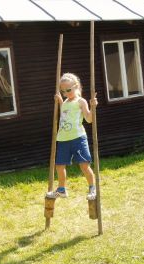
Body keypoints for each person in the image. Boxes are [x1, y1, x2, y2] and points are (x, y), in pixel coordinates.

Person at [46, 73, 98, 201]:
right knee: (59, 165)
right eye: (63, 91)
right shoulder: (64, 102)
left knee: (84, 165)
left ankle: (92, 188)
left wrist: (93, 107)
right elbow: (65, 113)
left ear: (76, 86)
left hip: (78, 138)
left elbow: (89, 119)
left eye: (68, 90)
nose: (66, 93)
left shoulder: (81, 101)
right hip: (63, 139)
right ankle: (62, 189)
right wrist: (59, 101)